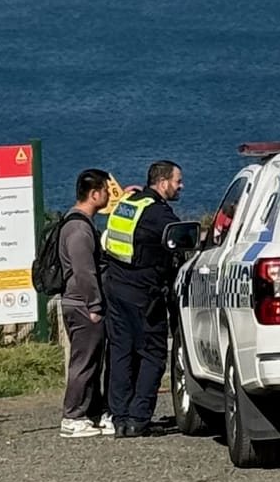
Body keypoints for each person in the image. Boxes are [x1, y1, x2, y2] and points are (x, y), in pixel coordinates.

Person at [101, 159, 184, 438]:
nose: (180, 186)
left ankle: (120, 416)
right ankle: (138, 418)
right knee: (153, 353)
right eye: (177, 181)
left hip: (115, 284)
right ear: (162, 183)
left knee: (121, 351)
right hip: (144, 290)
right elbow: (180, 236)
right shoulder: (157, 214)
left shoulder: (128, 204)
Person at [57, 168, 114, 439]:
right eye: (105, 190)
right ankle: (72, 415)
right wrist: (94, 305)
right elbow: (84, 271)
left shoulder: (73, 222)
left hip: (78, 301)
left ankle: (89, 411)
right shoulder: (80, 229)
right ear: (94, 194)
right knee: (84, 361)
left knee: (91, 359)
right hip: (81, 304)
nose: (108, 195)